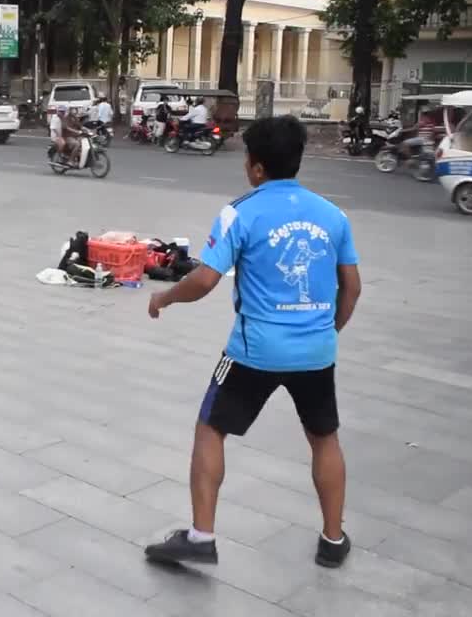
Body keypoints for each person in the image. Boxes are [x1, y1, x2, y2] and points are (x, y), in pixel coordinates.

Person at [143, 115, 362, 570]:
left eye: (247, 159)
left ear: (257, 167)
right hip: (317, 353)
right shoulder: (333, 215)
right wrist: (325, 331)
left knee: (211, 427)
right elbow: (352, 287)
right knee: (324, 438)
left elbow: (204, 280)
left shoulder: (240, 213)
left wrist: (164, 296)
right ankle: (333, 539)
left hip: (254, 351)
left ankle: (201, 537)